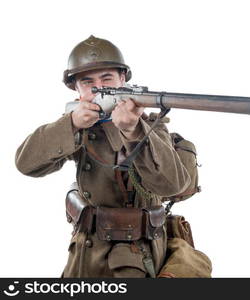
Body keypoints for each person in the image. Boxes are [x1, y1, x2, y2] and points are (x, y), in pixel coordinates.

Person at [15, 35, 212, 278]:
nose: (99, 87)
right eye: (88, 82)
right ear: (76, 89)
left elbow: (171, 185)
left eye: (107, 78)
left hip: (137, 254)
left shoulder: (151, 126)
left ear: (123, 79)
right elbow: (25, 164)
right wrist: (72, 124)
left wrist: (134, 130)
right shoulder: (80, 124)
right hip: (86, 249)